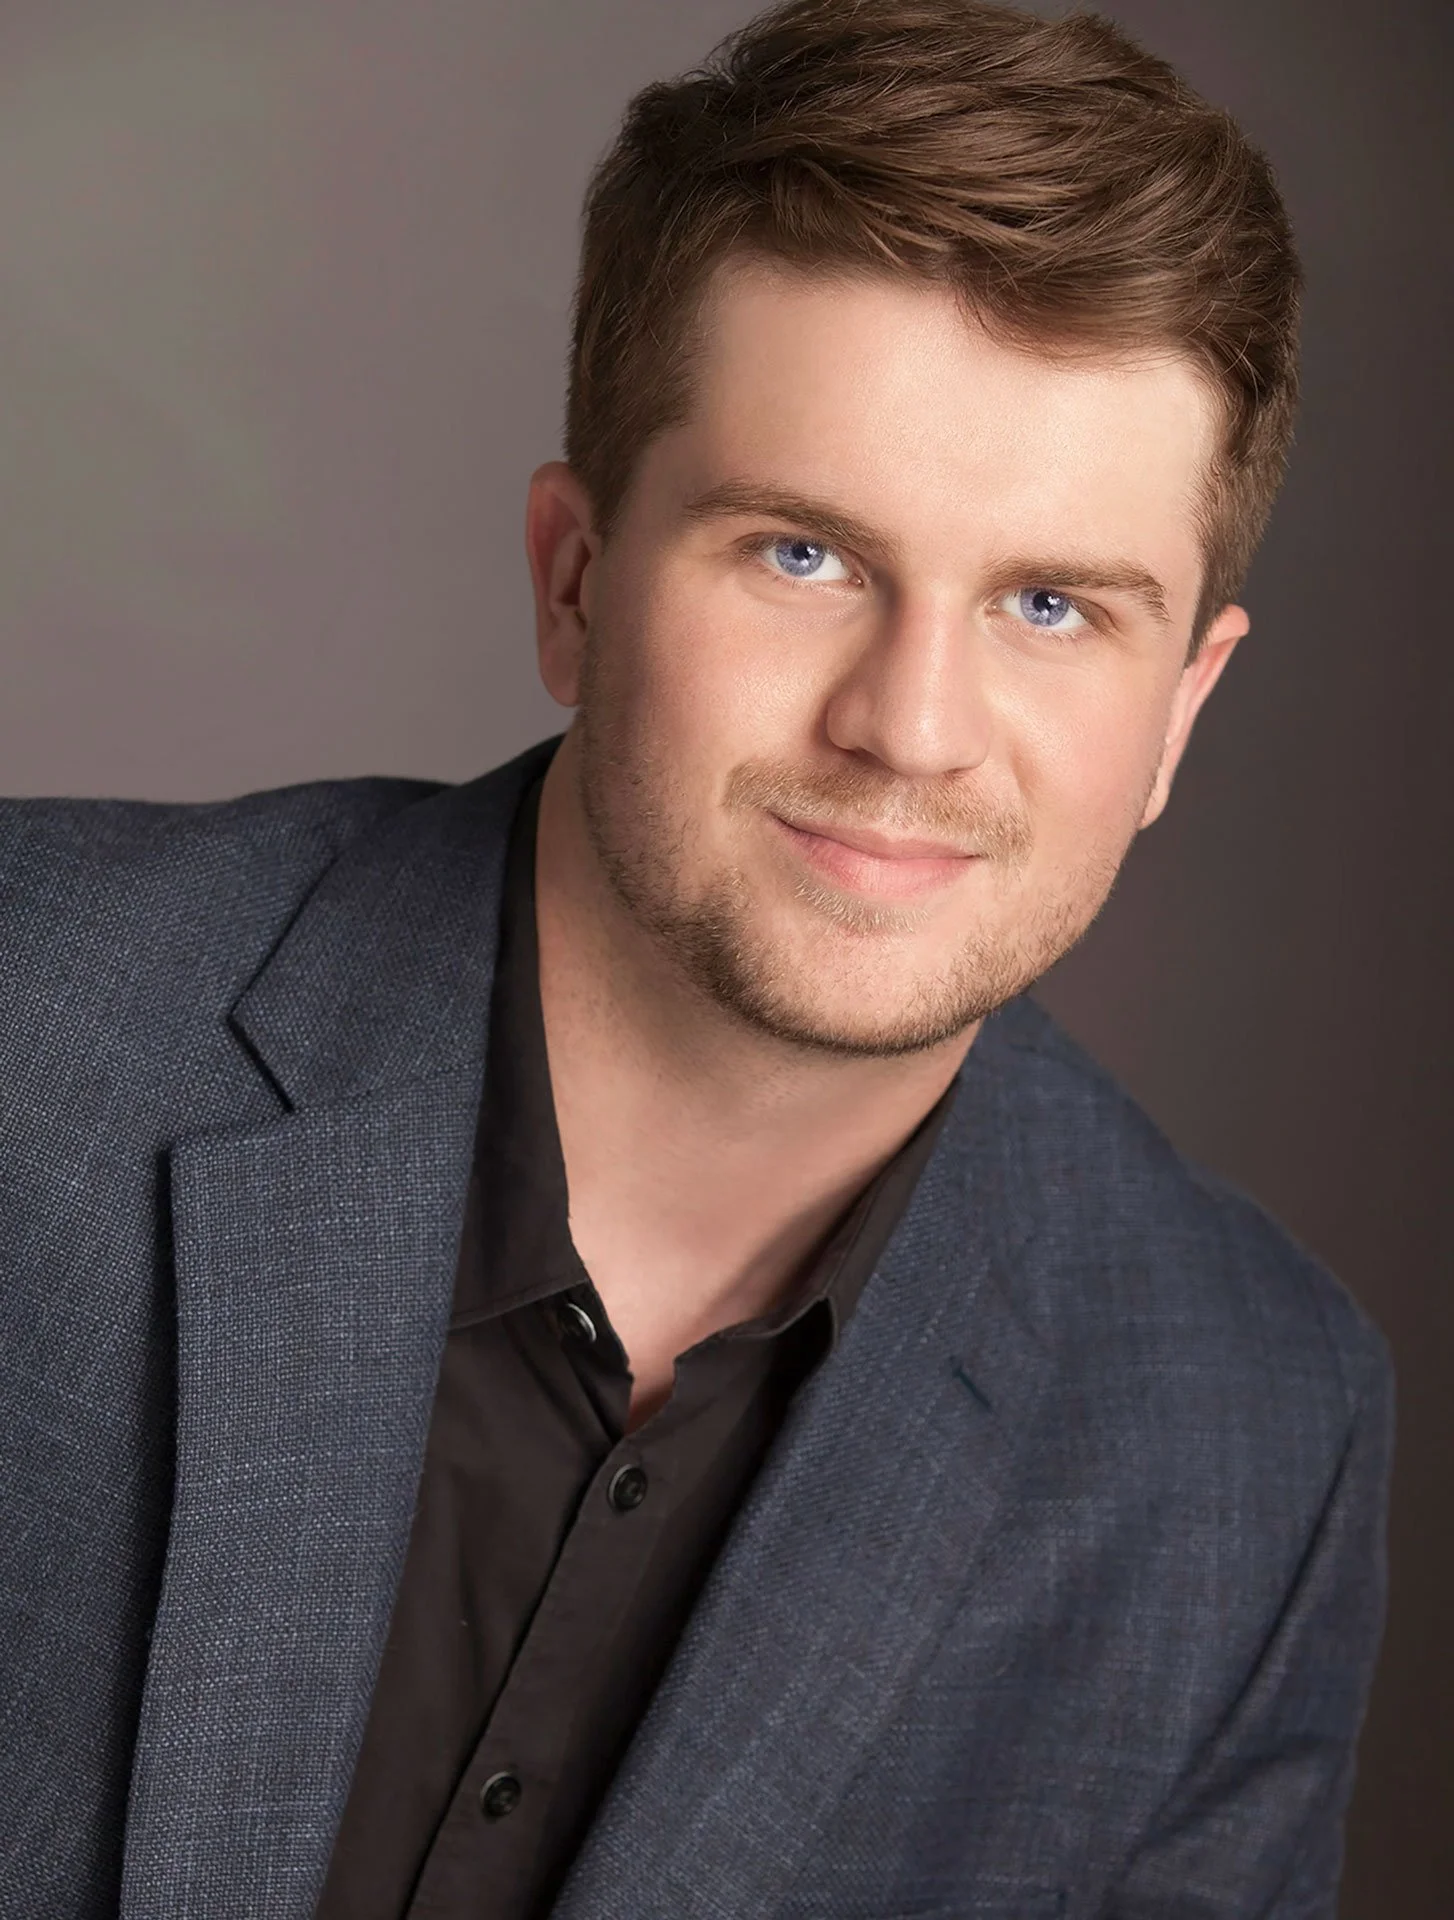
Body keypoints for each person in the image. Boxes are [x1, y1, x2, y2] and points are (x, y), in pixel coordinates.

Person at [0, 0, 1393, 1915]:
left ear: (1179, 712)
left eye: (1053, 605)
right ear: (575, 581)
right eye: (801, 555)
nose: (911, 728)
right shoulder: (28, 1031)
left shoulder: (1243, 1432)